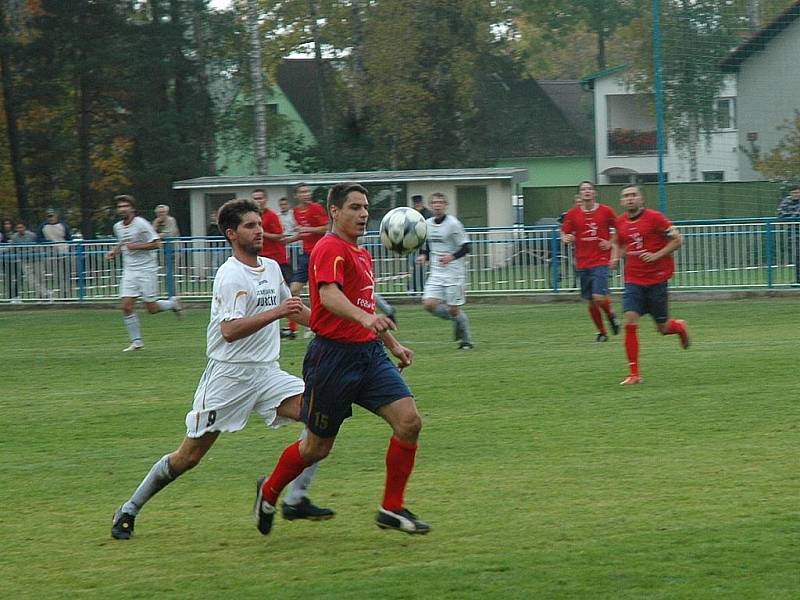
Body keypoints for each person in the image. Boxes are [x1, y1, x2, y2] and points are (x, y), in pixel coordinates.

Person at [111, 198, 333, 540]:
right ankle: (129, 508)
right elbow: (230, 331)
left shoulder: (271, 268)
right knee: (188, 457)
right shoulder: (230, 275)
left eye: (259, 224)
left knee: (322, 418)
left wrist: (337, 328)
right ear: (231, 234)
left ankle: (292, 497)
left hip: (267, 373)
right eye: (250, 226)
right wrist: (278, 313)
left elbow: (293, 309)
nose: (259, 231)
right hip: (228, 376)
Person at [254, 182, 430, 536]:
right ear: (334, 211)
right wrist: (367, 320)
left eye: (365, 207)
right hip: (332, 359)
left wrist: (392, 344)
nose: (363, 214)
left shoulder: (361, 254)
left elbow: (365, 304)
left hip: (369, 355)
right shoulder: (328, 248)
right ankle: (269, 491)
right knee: (316, 447)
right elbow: (329, 296)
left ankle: (391, 508)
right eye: (354, 207)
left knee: (409, 422)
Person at [611, 185, 690, 386]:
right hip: (633, 281)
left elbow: (678, 240)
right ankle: (634, 374)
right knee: (630, 320)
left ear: (641, 199)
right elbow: (620, 244)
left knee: (663, 328)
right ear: (621, 202)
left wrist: (656, 255)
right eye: (626, 196)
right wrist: (614, 259)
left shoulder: (656, 218)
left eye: (633, 195)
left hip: (657, 280)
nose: (629, 199)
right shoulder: (620, 222)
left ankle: (679, 327)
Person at [106, 194, 182, 352]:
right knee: (126, 306)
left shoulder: (141, 224)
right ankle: (137, 342)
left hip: (146, 269)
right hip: (129, 270)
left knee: (151, 308)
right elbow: (123, 241)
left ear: (132, 208)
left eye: (125, 206)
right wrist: (115, 251)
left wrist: (137, 246)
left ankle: (172, 303)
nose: (122, 209)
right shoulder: (118, 226)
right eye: (120, 206)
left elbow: (157, 244)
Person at [561, 181, 620, 342]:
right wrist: (567, 238)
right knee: (592, 301)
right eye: (583, 189)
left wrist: (610, 243)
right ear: (579, 195)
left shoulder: (606, 211)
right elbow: (565, 233)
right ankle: (602, 332)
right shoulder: (573, 214)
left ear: (595, 193)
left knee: (598, 296)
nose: (586, 192)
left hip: (601, 260)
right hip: (582, 262)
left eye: (589, 189)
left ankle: (611, 315)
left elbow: (620, 229)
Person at [416, 192, 474, 350]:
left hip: (454, 273)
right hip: (436, 272)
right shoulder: (427, 223)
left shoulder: (453, 224)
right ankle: (458, 321)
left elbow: (467, 246)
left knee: (453, 309)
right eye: (434, 202)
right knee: (428, 304)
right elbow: (427, 245)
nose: (437, 205)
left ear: (446, 205)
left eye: (440, 202)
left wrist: (452, 257)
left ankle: (466, 340)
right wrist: (423, 256)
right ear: (431, 205)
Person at [286, 183, 329, 338]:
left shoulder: (316, 208)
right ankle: (300, 325)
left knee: (317, 292)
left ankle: (316, 324)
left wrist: (308, 229)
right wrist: (289, 240)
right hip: (305, 255)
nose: (306, 194)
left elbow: (327, 227)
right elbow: (303, 234)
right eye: (302, 192)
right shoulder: (296, 212)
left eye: (307, 191)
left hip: (319, 254)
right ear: (296, 195)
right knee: (294, 289)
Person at [252, 189, 295, 339]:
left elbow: (279, 236)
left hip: (278, 260)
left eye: (260, 198)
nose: (258, 201)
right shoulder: (255, 216)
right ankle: (269, 328)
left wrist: (262, 233)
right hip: (261, 261)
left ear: (265, 199)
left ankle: (292, 328)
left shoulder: (271, 216)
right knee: (263, 295)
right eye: (255, 198)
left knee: (288, 294)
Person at [37, 207, 73, 299]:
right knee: (57, 275)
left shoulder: (63, 225)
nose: (50, 218)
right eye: (49, 216)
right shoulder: (43, 227)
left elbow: (69, 238)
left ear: (56, 216)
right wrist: (47, 242)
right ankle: (63, 294)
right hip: (51, 254)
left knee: (66, 274)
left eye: (52, 216)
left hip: (64, 252)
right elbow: (38, 239)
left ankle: (67, 294)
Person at [776, 184, 800, 284]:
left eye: (798, 192)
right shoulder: (786, 202)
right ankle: (798, 280)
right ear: (790, 193)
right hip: (793, 233)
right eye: (794, 193)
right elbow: (781, 214)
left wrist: (792, 215)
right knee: (797, 257)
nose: (797, 194)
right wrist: (795, 216)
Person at [408, 195, 432, 293]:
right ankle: (414, 288)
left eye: (419, 203)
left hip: (425, 244)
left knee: (423, 268)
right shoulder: (411, 214)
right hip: (412, 244)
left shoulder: (428, 214)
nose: (417, 205)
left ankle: (422, 288)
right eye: (416, 203)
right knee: (414, 267)